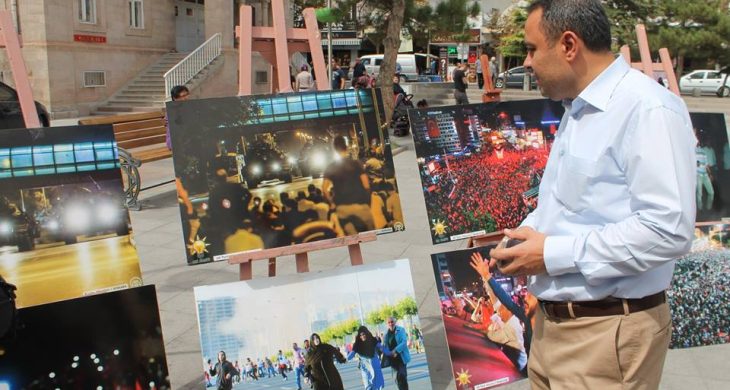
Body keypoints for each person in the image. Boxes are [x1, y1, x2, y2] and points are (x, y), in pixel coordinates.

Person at [488, 1, 696, 389]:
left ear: (569, 45)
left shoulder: (647, 108)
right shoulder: (579, 109)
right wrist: (524, 236)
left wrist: (550, 254)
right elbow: (571, 207)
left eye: (532, 49)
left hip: (606, 333)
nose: (527, 63)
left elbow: (668, 229)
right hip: (555, 329)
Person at [322, 136, 374, 235]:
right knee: (371, 235)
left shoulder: (331, 167)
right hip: (361, 206)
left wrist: (332, 203)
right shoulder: (356, 164)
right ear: (346, 147)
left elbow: (324, 189)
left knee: (352, 238)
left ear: (335, 149)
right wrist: (367, 203)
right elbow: (366, 185)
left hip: (343, 210)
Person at [347, 326, 385, 390]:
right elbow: (352, 353)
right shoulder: (357, 344)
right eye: (360, 335)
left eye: (364, 334)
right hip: (365, 367)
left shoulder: (373, 340)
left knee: (378, 386)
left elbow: (381, 347)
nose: (362, 336)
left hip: (375, 365)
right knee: (368, 386)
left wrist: (389, 352)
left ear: (366, 333)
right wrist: (345, 359)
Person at [384, 317, 410, 390]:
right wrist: (389, 353)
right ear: (387, 324)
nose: (390, 324)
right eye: (389, 322)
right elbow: (385, 347)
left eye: (392, 322)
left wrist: (395, 350)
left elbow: (404, 342)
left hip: (401, 358)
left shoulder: (401, 330)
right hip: (393, 359)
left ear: (395, 322)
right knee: (397, 378)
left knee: (402, 376)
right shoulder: (386, 334)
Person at [165, 85, 190, 150]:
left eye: (186, 95)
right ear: (175, 98)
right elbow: (174, 131)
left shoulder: (190, 107)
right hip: (177, 139)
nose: (185, 98)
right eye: (182, 96)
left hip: (190, 137)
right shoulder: (172, 111)